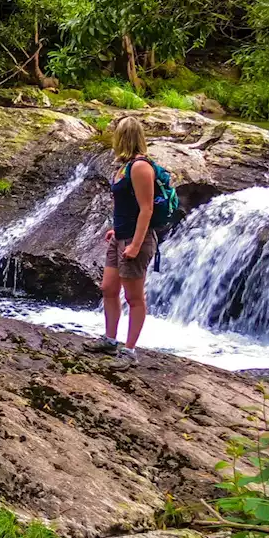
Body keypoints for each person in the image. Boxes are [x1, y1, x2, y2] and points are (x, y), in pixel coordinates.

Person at [89, 116, 157, 363]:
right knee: (108, 288)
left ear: (124, 137)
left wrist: (136, 244)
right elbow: (125, 206)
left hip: (136, 240)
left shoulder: (141, 167)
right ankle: (109, 339)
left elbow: (146, 209)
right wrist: (116, 230)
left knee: (134, 297)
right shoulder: (124, 167)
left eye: (116, 134)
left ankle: (129, 350)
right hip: (120, 237)